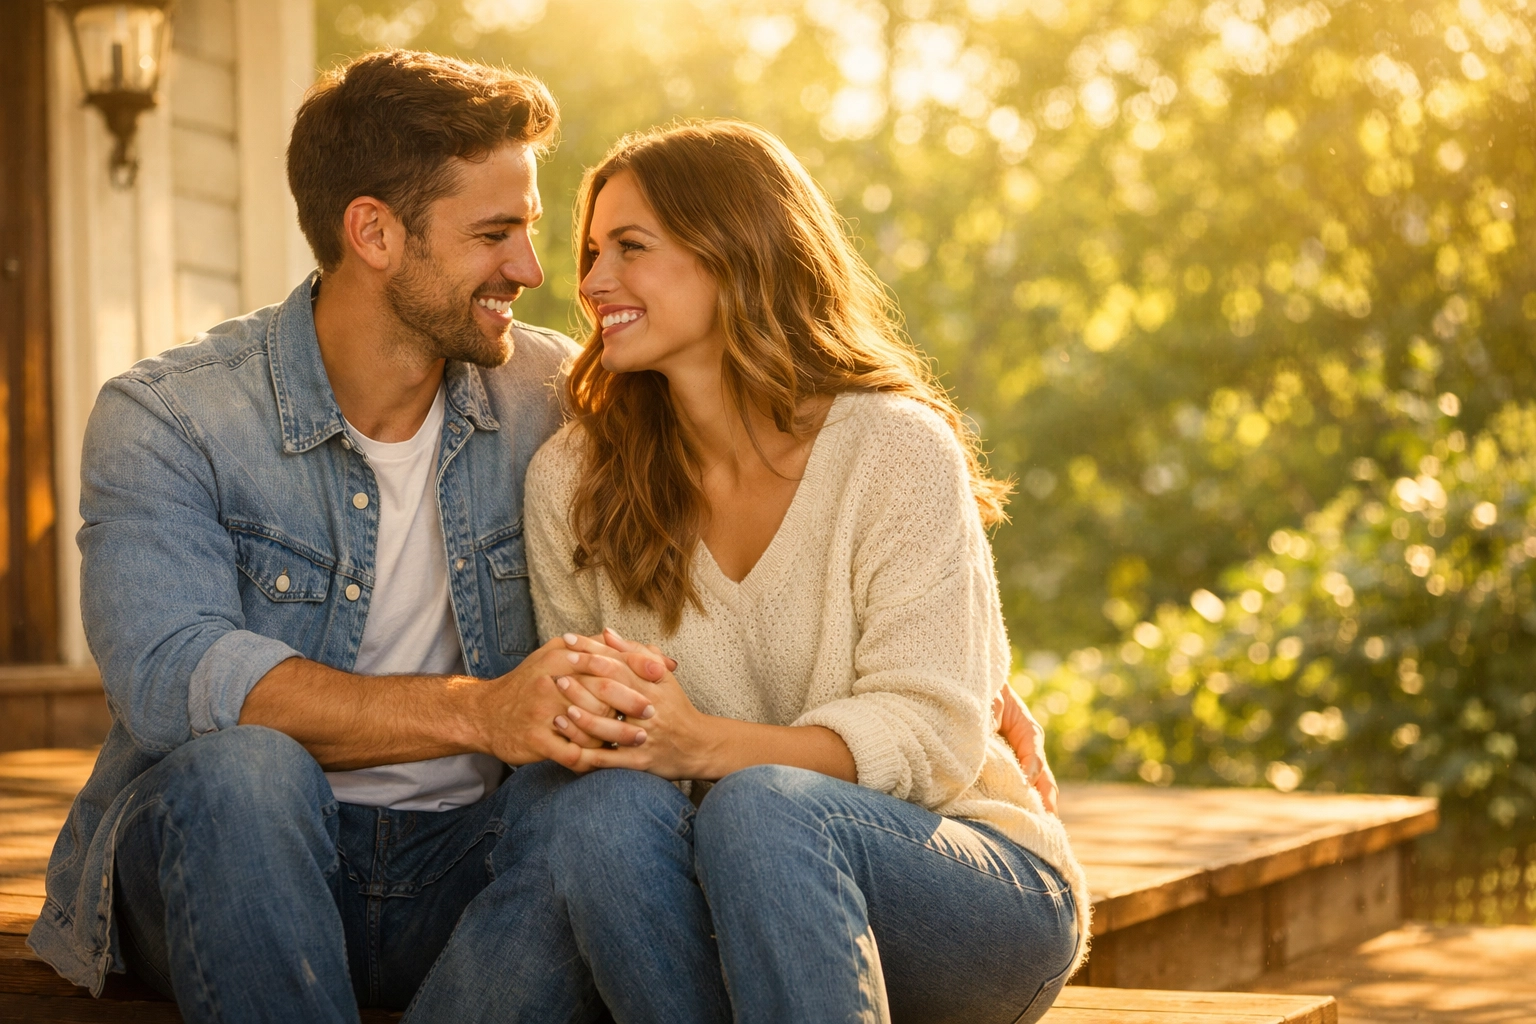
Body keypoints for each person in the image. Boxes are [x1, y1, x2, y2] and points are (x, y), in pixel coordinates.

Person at [28, 51, 1060, 1021]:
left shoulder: (551, 400)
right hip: (244, 853)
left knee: (604, 814)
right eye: (497, 234)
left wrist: (963, 686)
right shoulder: (176, 418)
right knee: (248, 768)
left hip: (480, 854)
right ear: (376, 234)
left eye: (549, 234)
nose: (540, 269)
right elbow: (171, 677)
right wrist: (482, 712)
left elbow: (875, 634)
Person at [515, 120, 1089, 1024]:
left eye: (630, 247)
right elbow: (607, 752)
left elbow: (936, 731)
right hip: (716, 905)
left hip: (963, 886)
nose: (590, 283)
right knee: (596, 818)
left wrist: (704, 744)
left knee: (765, 810)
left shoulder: (891, 448)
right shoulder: (574, 483)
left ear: (736, 252)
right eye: (590, 253)